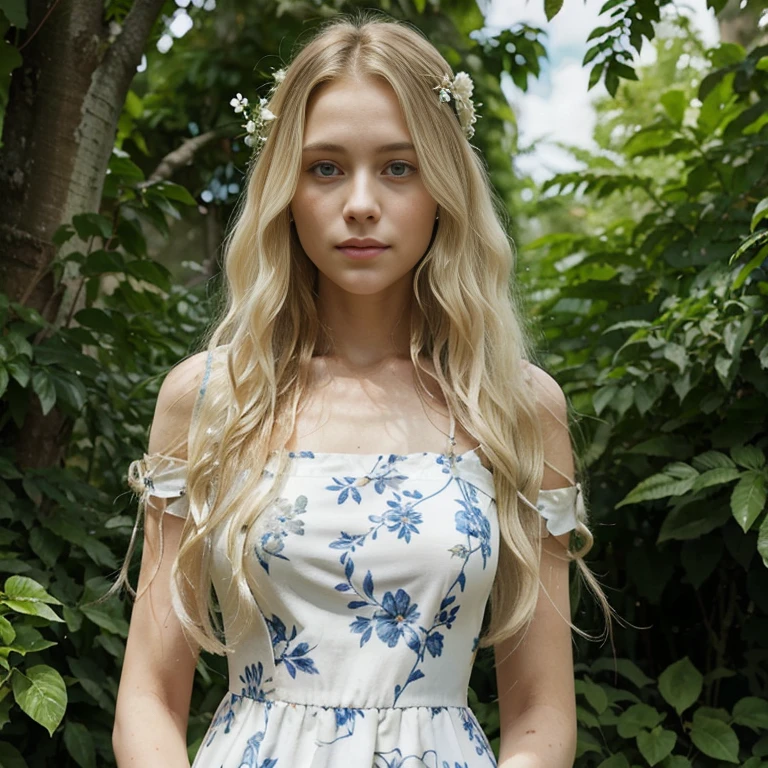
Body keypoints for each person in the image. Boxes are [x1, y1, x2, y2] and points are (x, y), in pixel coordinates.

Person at [110, 12, 610, 768]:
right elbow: (148, 695)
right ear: (286, 187)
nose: (362, 203)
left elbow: (542, 713)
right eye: (326, 167)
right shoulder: (211, 396)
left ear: (444, 186)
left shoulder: (516, 408)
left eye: (399, 167)